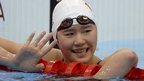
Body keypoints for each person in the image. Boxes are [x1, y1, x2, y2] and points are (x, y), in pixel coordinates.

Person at [0, 0, 138, 79]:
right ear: (57, 40)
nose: (79, 41)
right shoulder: (49, 57)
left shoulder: (103, 65)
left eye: (87, 31)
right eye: (69, 34)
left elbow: (128, 56)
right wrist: (12, 62)